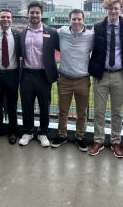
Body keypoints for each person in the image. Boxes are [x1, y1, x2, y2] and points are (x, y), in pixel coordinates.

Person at [88, 0, 123, 158]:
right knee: (99, 111)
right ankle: (98, 140)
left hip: (120, 75)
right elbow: (89, 47)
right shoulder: (97, 27)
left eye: (116, 8)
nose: (113, 11)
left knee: (117, 112)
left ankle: (115, 141)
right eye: (110, 8)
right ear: (106, 10)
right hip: (102, 75)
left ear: (121, 10)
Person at [50, 9, 93, 152]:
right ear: (69, 20)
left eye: (79, 19)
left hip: (83, 79)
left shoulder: (90, 35)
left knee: (82, 113)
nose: (76, 22)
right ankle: (62, 136)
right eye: (74, 19)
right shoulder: (62, 31)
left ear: (83, 20)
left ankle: (80, 137)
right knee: (63, 111)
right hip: (65, 79)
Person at [18, 1, 59, 147]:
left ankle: (43, 133)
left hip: (43, 75)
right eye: (32, 12)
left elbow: (62, 49)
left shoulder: (52, 32)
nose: (34, 15)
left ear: (42, 15)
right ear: (28, 14)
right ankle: (28, 131)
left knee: (44, 106)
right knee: (26, 105)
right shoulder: (22, 33)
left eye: (37, 13)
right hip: (26, 74)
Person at [0, 9, 21, 144]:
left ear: (11, 19)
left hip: (12, 75)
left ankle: (12, 131)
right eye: (3, 17)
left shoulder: (17, 34)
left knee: (12, 105)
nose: (6, 19)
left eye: (8, 17)